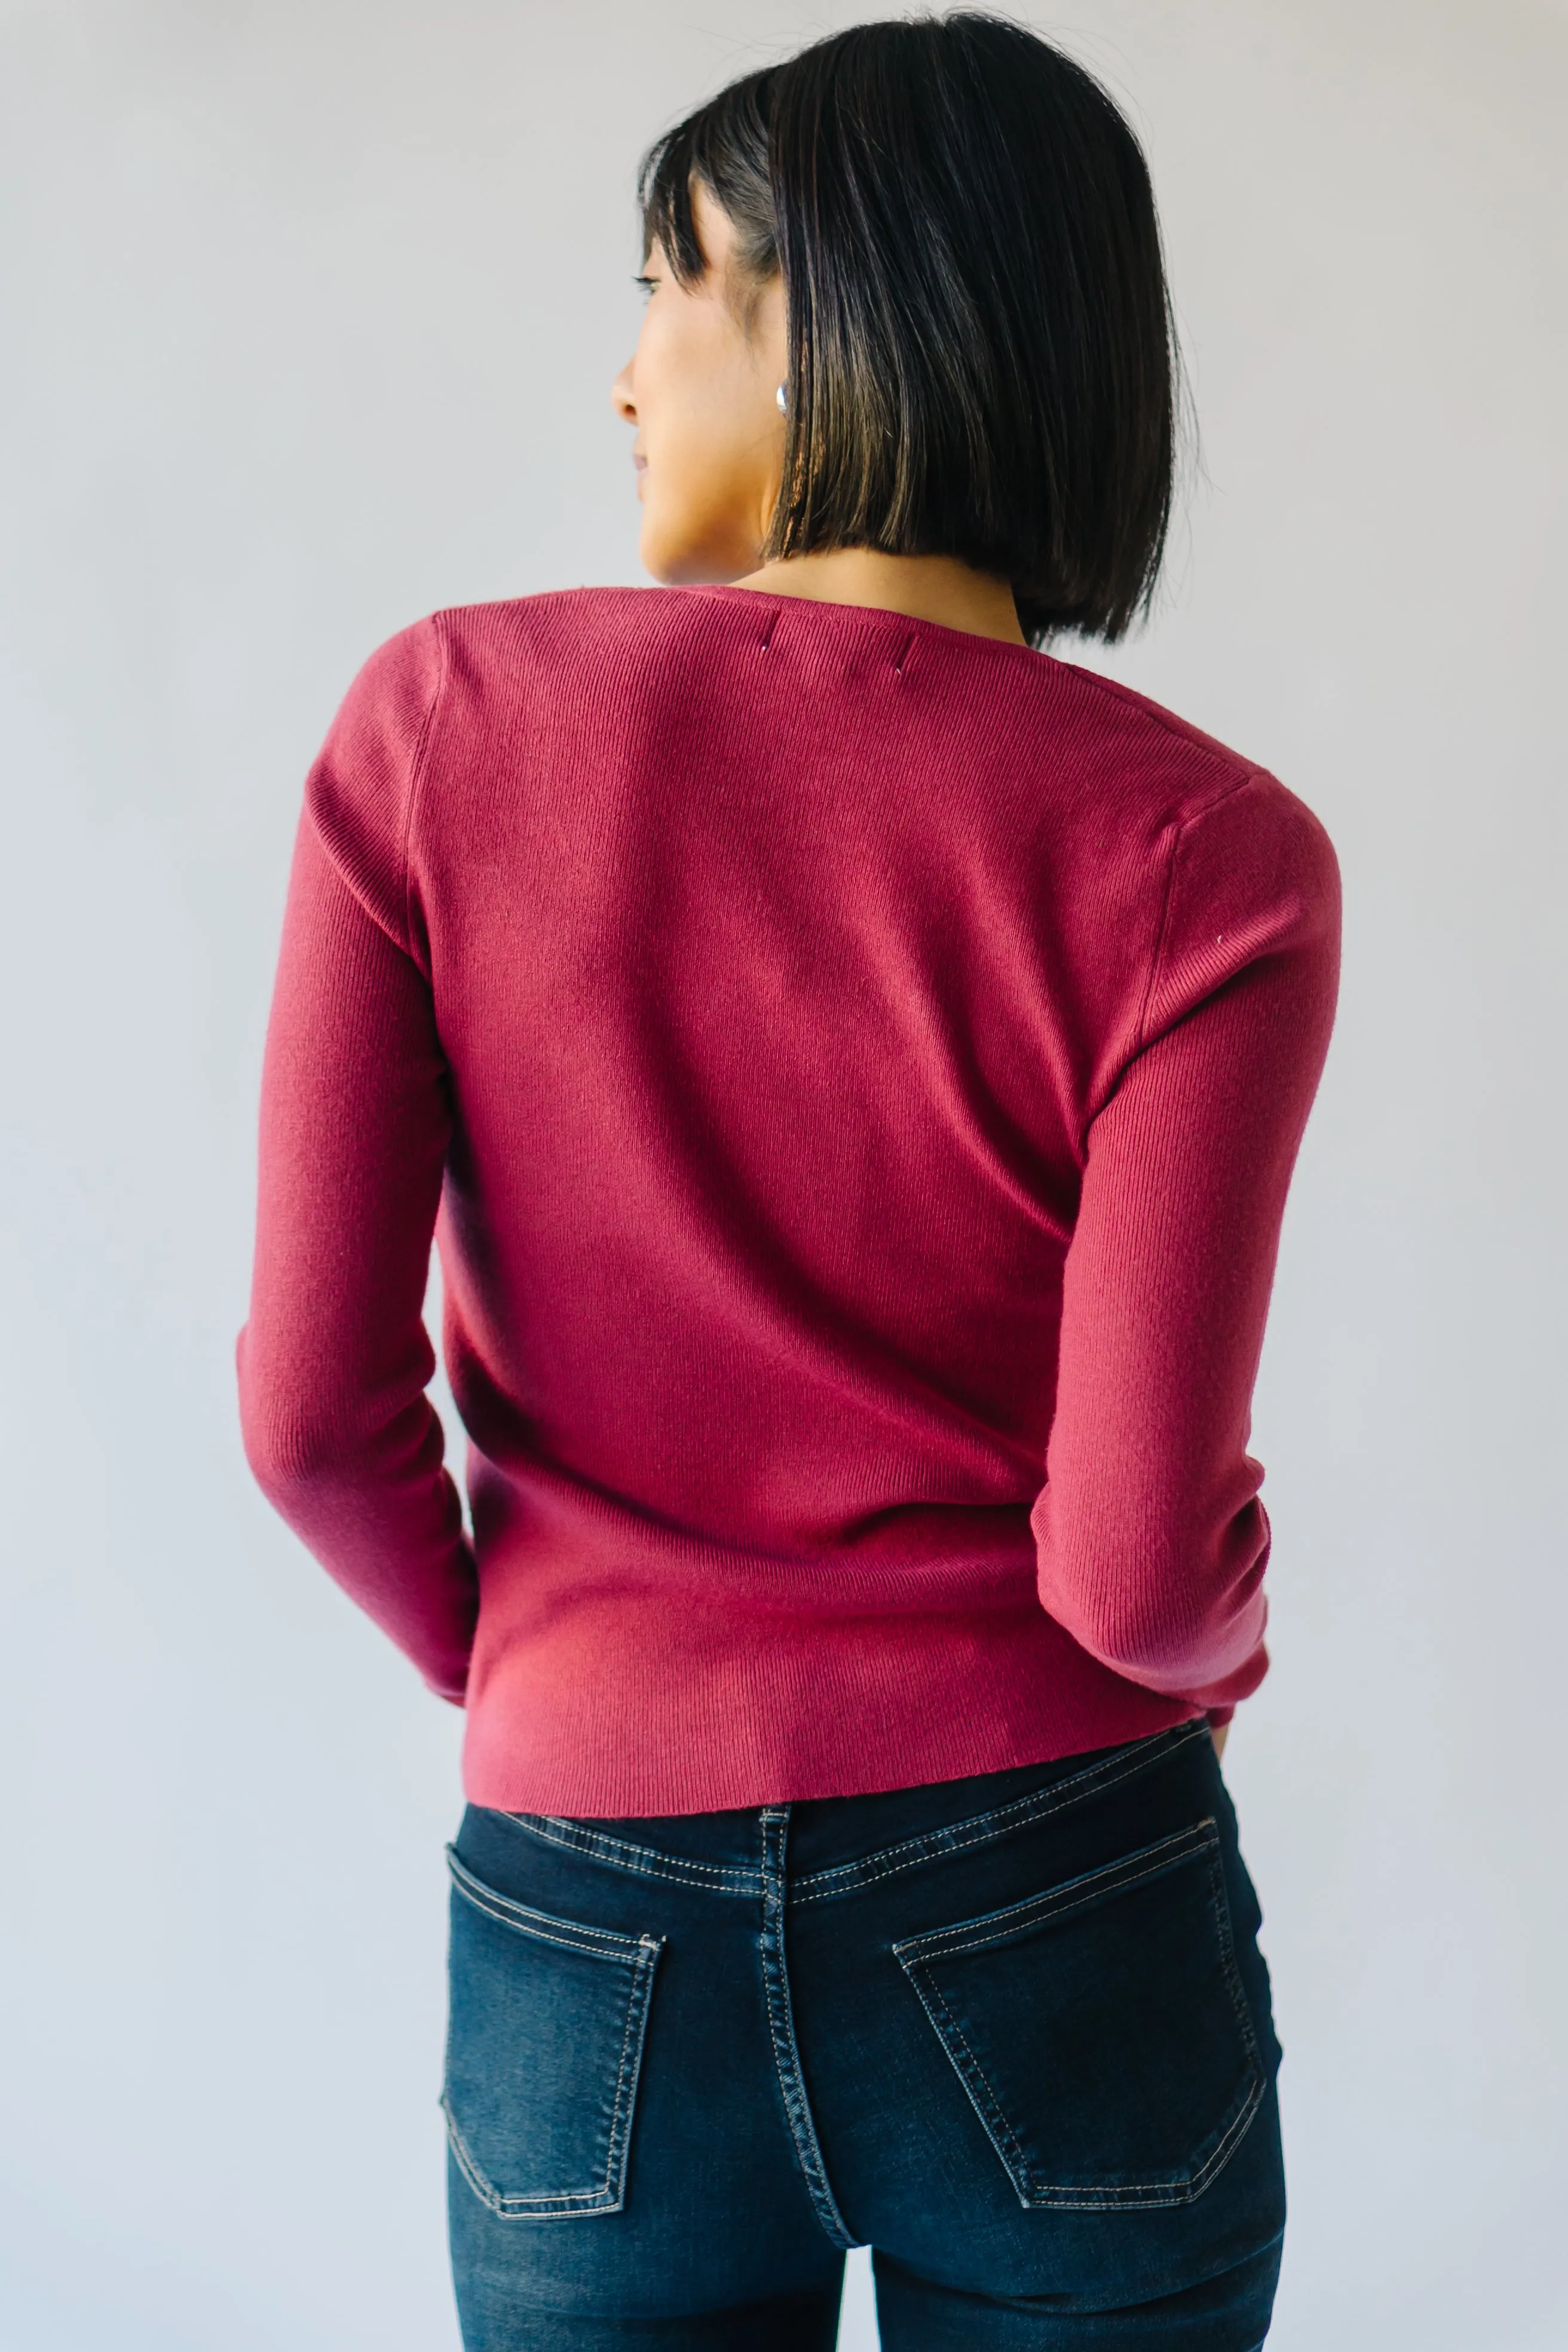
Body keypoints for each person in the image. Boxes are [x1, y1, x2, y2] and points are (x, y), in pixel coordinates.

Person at [237, 14, 1340, 2347]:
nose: (626, 375)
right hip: (1055, 1875)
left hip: (580, 1906)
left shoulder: (436, 731)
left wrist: (551, 1665)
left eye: (665, 285)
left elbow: (308, 1418)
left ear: (833, 307)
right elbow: (1134, 1567)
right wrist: (1219, 1654)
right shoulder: (1201, 856)